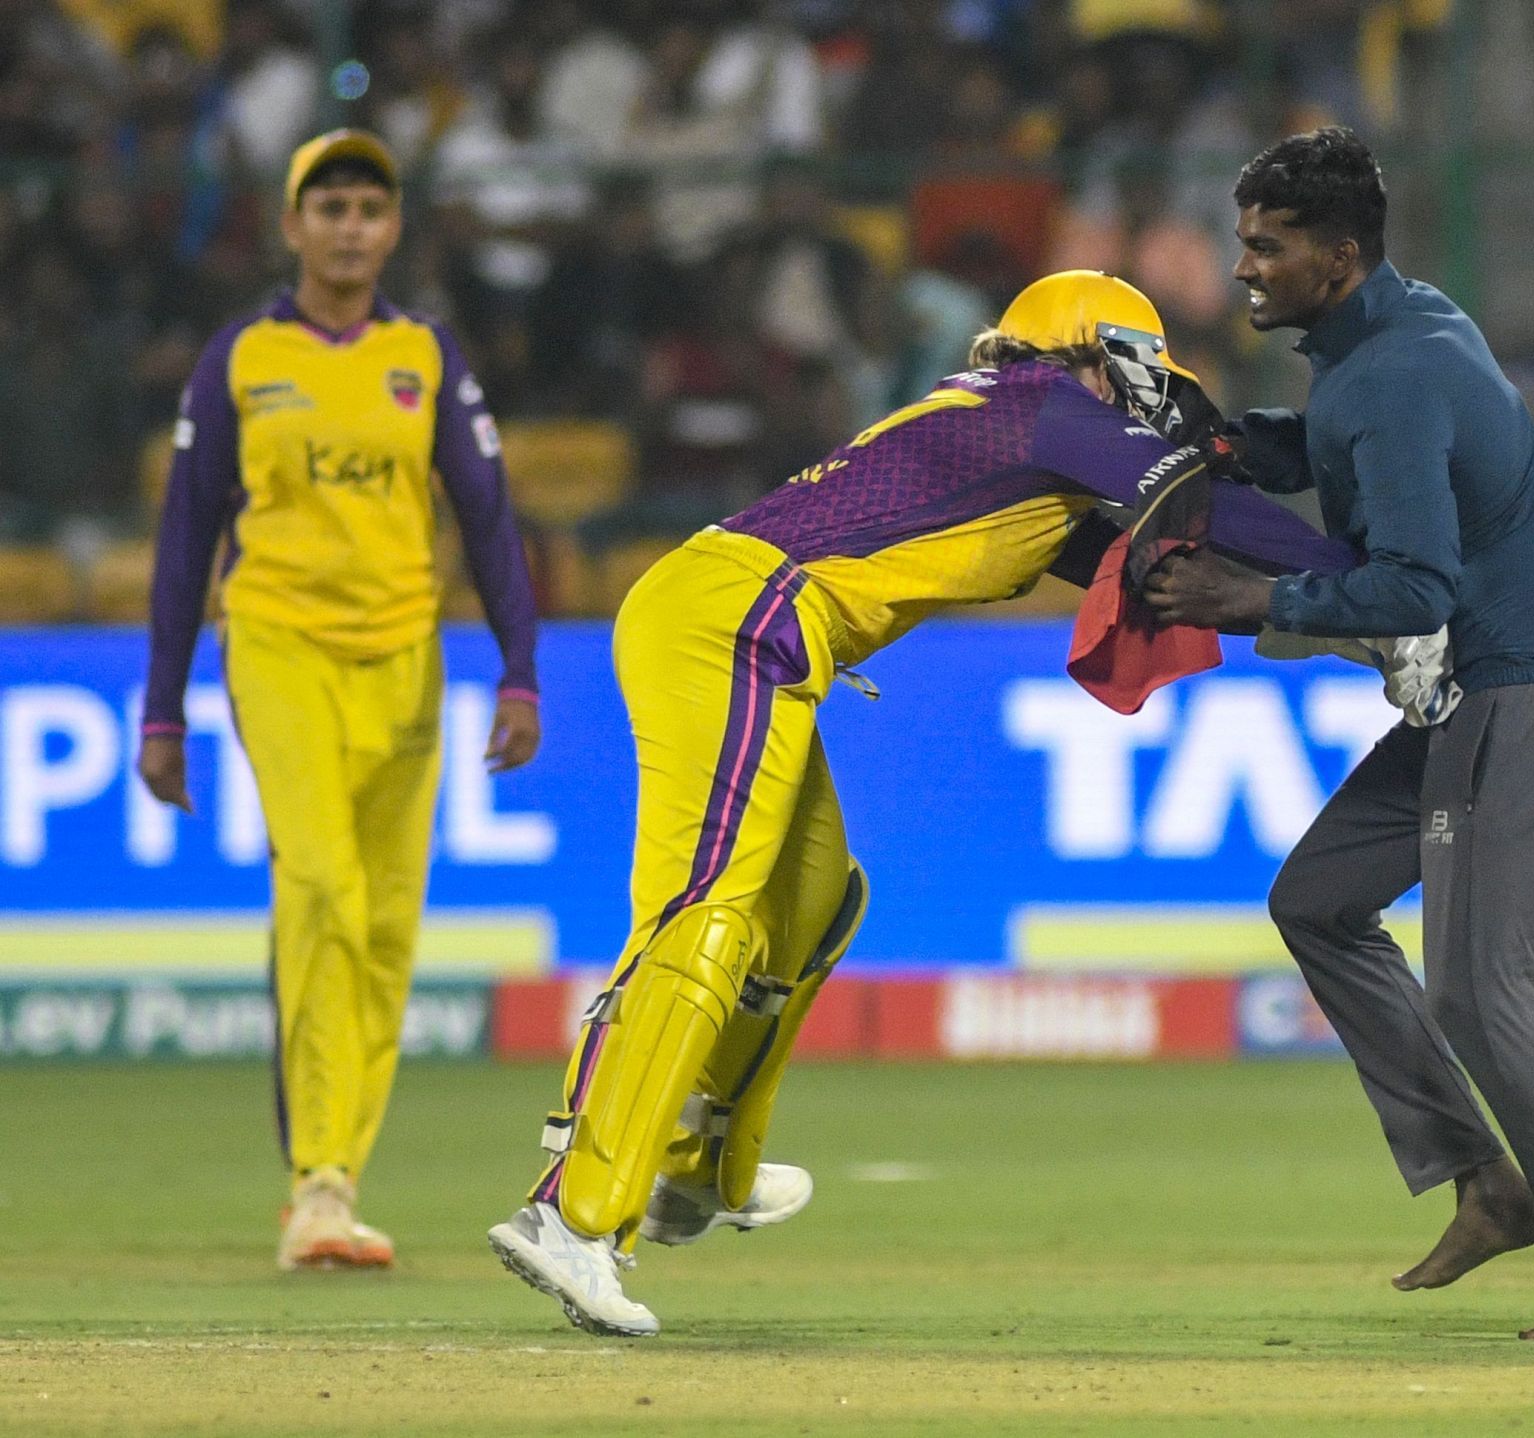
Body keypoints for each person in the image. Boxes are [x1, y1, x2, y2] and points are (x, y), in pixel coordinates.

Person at [486, 270, 1351, 1338]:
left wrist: (1350, 587)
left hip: (739, 620)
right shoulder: (1050, 407)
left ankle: (696, 1165)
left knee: (811, 907)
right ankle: (573, 1214)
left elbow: (1182, 554)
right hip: (736, 620)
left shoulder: (1022, 437)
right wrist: (1383, 580)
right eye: (1144, 377)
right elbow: (1207, 510)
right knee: (706, 907)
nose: (1153, 402)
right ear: (1093, 350)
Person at [1144, 127, 1534, 1341]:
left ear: (1335, 259)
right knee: (1320, 897)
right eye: (1244, 243)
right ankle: (1485, 1181)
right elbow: (1340, 450)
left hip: (1518, 686)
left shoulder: (1388, 378)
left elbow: (1417, 588)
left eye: (1267, 249)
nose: (1245, 270)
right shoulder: (1399, 330)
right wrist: (1225, 439)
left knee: (1482, 996)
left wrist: (1254, 599)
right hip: (1487, 686)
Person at [139, 130, 541, 1271]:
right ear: (292, 225)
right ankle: (315, 1175)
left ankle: (336, 1181)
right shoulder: (241, 356)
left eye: (370, 207)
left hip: (404, 656)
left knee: (382, 926)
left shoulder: (426, 354)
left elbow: (490, 516)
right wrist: (161, 711)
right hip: (275, 642)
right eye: (331, 208)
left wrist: (520, 670)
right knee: (316, 883)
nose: (351, 227)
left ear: (394, 225)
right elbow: (184, 537)